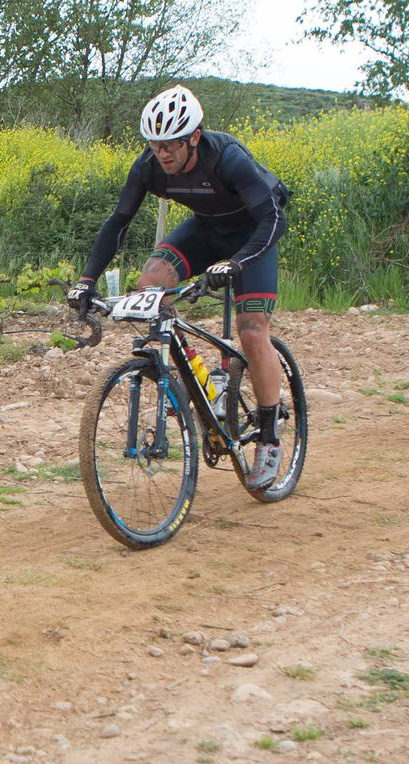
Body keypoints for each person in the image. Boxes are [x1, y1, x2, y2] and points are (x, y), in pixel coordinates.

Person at [65, 85, 294, 489]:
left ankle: (270, 435)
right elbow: (119, 221)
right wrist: (86, 280)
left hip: (253, 235)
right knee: (150, 285)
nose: (162, 154)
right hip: (206, 231)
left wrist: (237, 263)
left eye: (170, 144)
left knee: (253, 330)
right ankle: (197, 380)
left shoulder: (228, 158)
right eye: (155, 145)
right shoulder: (149, 166)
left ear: (193, 137)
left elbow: (273, 220)